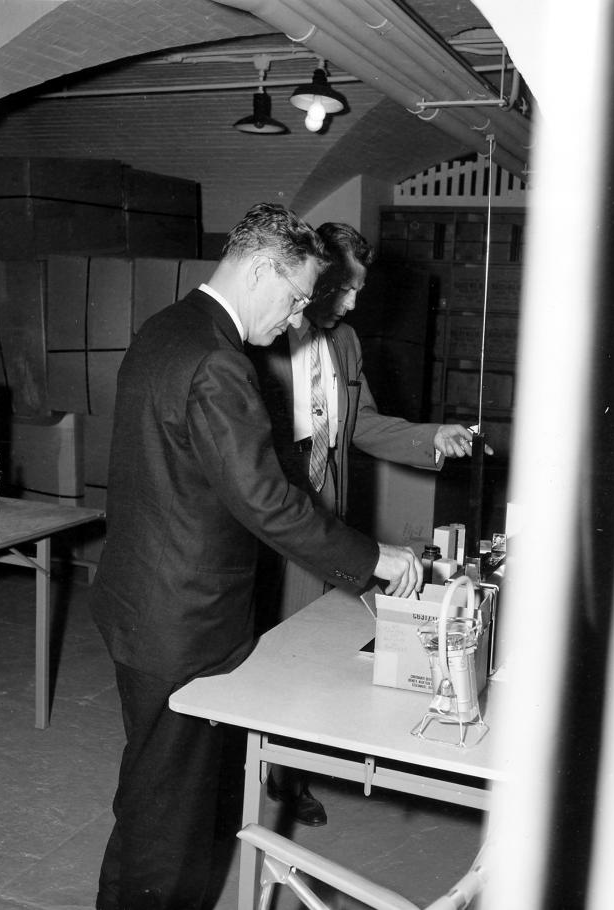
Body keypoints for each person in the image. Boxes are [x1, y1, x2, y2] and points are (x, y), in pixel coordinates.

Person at [89, 203, 425, 910]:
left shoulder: (166, 328)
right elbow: (267, 500)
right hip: (182, 617)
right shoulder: (217, 359)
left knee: (151, 791)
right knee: (174, 818)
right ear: (259, 268)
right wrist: (375, 561)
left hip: (141, 599)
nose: (299, 317)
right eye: (298, 296)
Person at [251, 221, 490, 826]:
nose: (355, 303)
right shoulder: (262, 337)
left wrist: (429, 435)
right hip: (272, 515)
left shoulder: (347, 342)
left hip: (327, 511)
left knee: (314, 641)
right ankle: (267, 761)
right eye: (346, 289)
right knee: (268, 646)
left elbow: (359, 424)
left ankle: (290, 769)